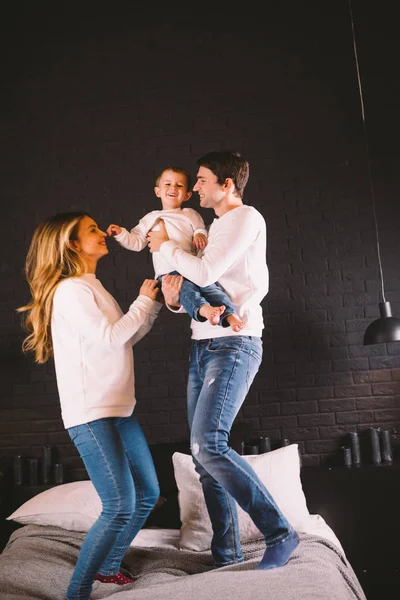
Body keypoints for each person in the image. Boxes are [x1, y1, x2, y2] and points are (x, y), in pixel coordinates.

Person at [148, 151, 299, 570]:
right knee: (203, 458)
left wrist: (163, 247)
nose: (194, 188)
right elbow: (196, 285)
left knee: (208, 445)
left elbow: (206, 268)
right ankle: (227, 556)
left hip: (235, 343)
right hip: (203, 343)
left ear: (226, 184)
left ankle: (280, 533)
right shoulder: (213, 227)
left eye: (200, 180)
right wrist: (177, 303)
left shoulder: (245, 217)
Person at [17, 212, 162, 600]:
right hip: (92, 413)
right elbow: (113, 337)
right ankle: (76, 592)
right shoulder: (70, 291)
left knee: (148, 492)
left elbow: (126, 337)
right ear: (72, 245)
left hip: (119, 408)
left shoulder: (90, 285)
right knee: (119, 505)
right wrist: (143, 300)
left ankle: (108, 569)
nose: (103, 234)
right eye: (92, 230)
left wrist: (153, 304)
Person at [107, 166, 245, 331]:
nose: (173, 188)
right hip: (168, 272)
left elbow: (199, 229)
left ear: (187, 195)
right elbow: (136, 242)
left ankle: (230, 315)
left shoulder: (190, 214)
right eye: (167, 184)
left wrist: (199, 235)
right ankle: (205, 310)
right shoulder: (151, 218)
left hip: (191, 266)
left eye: (179, 185)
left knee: (212, 288)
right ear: (157, 191)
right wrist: (120, 233)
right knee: (186, 292)